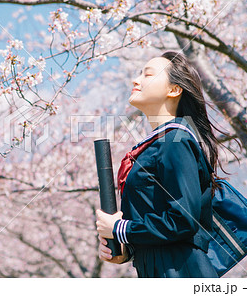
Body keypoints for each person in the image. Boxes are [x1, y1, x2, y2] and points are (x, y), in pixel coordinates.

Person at [95, 51, 236, 278]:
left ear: (173, 90)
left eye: (148, 75)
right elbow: (161, 220)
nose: (136, 80)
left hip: (180, 271)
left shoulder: (175, 140)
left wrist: (121, 229)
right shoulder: (158, 144)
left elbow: (183, 219)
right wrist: (126, 249)